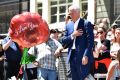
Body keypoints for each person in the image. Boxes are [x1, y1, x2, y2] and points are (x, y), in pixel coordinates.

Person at [62, 5, 94, 80]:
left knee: (82, 77)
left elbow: (90, 42)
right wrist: (73, 35)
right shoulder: (68, 25)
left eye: (71, 13)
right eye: (69, 14)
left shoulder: (86, 23)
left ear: (78, 13)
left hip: (82, 56)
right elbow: (63, 40)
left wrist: (86, 55)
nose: (70, 15)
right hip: (72, 55)